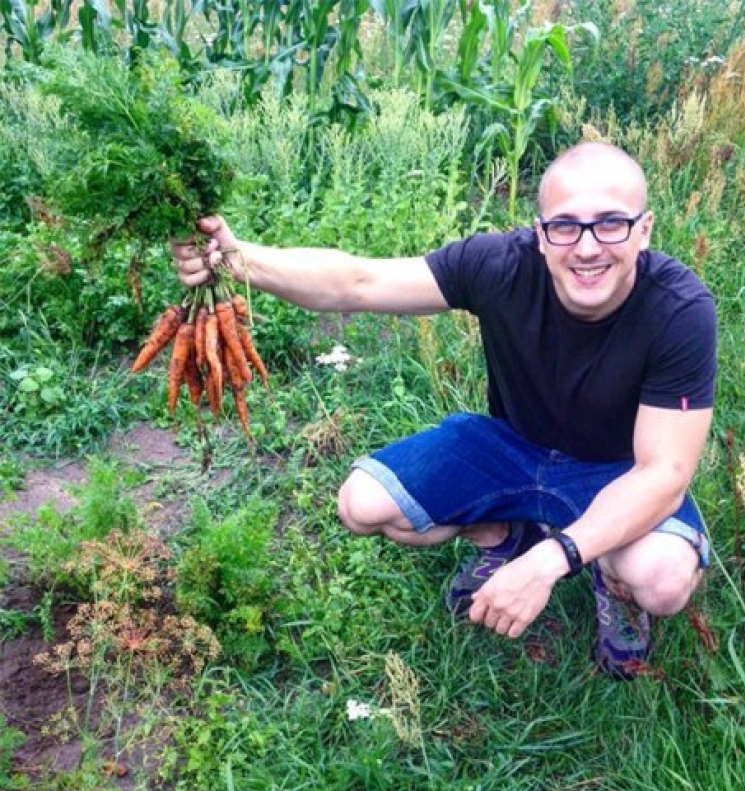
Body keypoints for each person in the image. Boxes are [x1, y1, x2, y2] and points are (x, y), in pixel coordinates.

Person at [172, 141, 717, 680]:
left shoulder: (678, 310)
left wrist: (552, 561)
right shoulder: (499, 266)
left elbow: (663, 474)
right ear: (540, 233)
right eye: (566, 226)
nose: (588, 247)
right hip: (512, 447)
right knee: (363, 505)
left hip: (617, 472)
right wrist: (238, 259)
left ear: (644, 230)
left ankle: (615, 585)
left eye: (611, 224)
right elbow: (359, 282)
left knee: (661, 578)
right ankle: (506, 538)